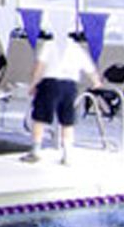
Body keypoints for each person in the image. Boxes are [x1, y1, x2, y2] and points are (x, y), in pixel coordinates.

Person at [23, 31, 101, 165]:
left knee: (39, 118)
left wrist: (34, 84)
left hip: (50, 83)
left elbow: (40, 65)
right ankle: (67, 154)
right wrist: (97, 83)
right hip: (70, 86)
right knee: (67, 121)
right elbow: (90, 69)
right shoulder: (77, 49)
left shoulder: (49, 45)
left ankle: (35, 151)